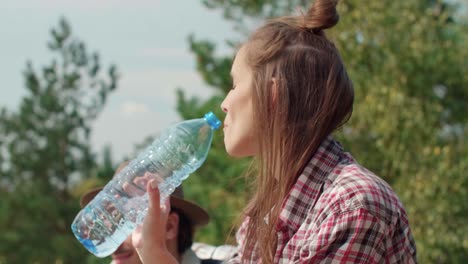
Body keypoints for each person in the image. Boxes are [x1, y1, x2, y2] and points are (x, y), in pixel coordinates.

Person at [133, 0, 417, 263]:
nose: (224, 103)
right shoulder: (265, 216)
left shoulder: (352, 206)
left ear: (272, 95)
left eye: (234, 85)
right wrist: (154, 251)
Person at [80, 162, 231, 264]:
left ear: (170, 226)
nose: (113, 244)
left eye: (127, 223)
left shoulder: (230, 259)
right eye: (111, 224)